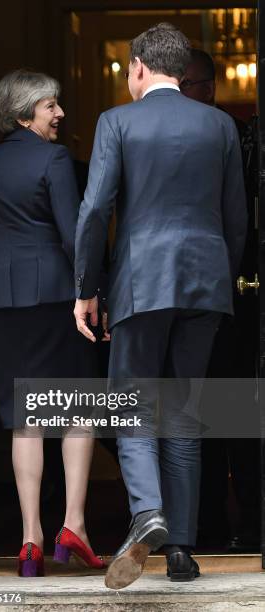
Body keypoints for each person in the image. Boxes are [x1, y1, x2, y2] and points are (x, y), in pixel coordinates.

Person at [73, 23, 247, 589]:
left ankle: (147, 511)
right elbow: (236, 216)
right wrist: (221, 274)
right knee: (184, 413)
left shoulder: (117, 122)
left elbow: (95, 210)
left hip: (141, 284)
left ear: (141, 67)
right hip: (206, 282)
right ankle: (181, 550)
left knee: (133, 406)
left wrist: (87, 286)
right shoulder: (219, 124)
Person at [0, 69, 105, 576]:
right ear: (26, 112)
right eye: (51, 106)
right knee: (78, 406)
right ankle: (74, 526)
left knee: (24, 414)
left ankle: (30, 540)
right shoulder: (53, 158)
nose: (60, 114)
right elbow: (74, 235)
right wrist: (92, 292)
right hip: (53, 295)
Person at [180, 48, 260, 553]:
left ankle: (249, 525)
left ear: (208, 87)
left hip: (231, 291)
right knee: (195, 415)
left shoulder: (230, 135)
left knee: (237, 416)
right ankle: (205, 525)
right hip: (187, 296)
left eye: (186, 85)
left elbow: (238, 215)